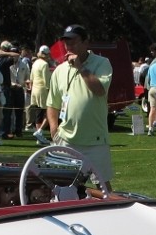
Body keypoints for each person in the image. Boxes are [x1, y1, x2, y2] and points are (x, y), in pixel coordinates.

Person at [46, 24, 115, 188]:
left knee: (103, 185)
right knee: (61, 185)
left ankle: (108, 212)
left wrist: (81, 67)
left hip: (95, 140)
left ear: (86, 42)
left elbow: (99, 90)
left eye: (74, 42)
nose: (69, 47)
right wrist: (54, 129)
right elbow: (52, 104)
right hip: (66, 139)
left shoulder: (102, 63)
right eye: (66, 43)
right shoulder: (59, 70)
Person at [29, 45, 52, 145]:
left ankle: (39, 138)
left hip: (35, 90)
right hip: (42, 90)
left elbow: (31, 78)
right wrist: (50, 90)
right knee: (50, 112)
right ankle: (40, 132)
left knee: (39, 113)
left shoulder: (35, 63)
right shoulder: (44, 64)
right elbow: (47, 81)